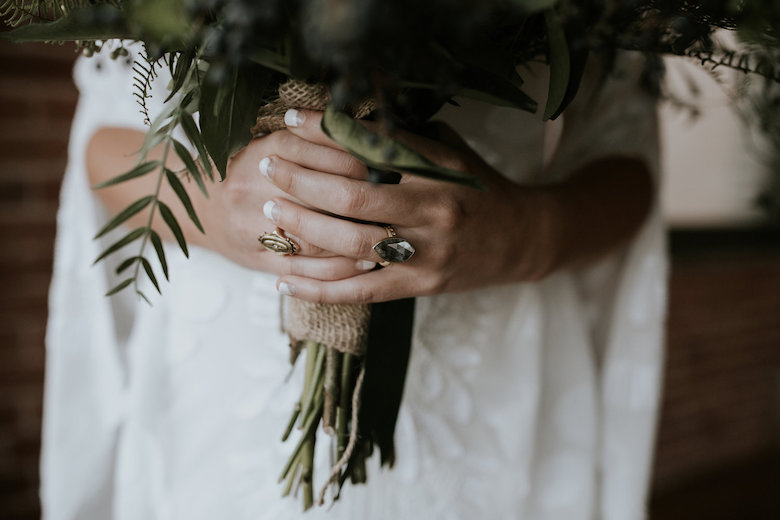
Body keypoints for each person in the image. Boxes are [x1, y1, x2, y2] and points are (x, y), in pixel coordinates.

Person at [42, 41, 667, 520]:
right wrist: (216, 205)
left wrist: (522, 236)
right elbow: (102, 139)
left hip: (485, 376)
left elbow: (625, 156)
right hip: (221, 375)